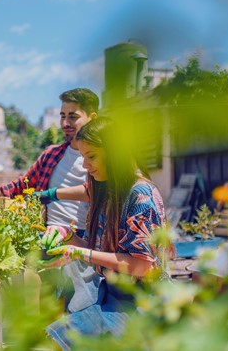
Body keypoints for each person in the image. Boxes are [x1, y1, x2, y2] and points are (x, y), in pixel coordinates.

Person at [39, 116, 169, 349]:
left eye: (92, 157)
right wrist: (67, 235)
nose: (85, 166)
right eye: (83, 158)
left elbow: (141, 266)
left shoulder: (141, 196)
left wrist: (79, 253)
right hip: (112, 296)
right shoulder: (107, 192)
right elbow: (96, 250)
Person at [0, 88, 101, 314]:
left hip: (81, 238)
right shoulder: (52, 154)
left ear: (92, 118)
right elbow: (21, 185)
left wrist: (53, 194)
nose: (66, 122)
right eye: (62, 116)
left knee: (72, 306)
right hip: (46, 234)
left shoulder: (99, 157)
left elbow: (102, 191)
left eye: (73, 116)